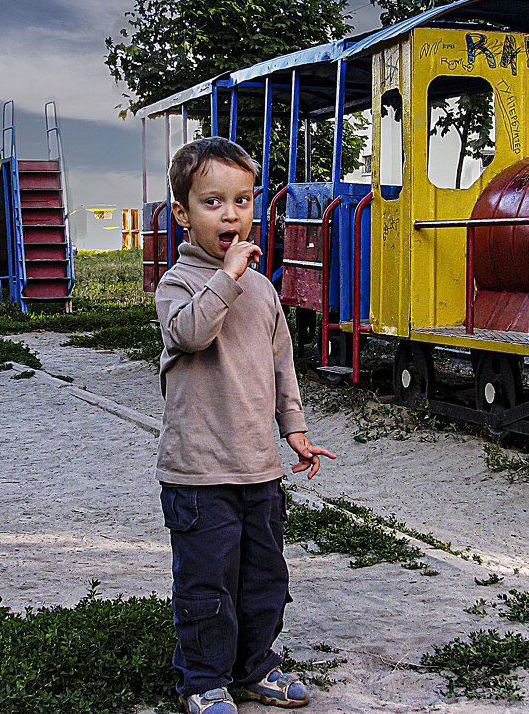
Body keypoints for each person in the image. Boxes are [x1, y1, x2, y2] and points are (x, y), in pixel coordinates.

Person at [155, 137, 336, 714]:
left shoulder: (261, 289)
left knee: (263, 581)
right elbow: (190, 334)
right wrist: (227, 277)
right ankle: (203, 680)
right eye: (212, 202)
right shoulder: (178, 285)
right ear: (183, 214)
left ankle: (256, 666)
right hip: (199, 474)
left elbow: (281, 363)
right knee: (207, 585)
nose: (230, 215)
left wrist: (295, 429)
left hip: (258, 469)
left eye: (241, 200)